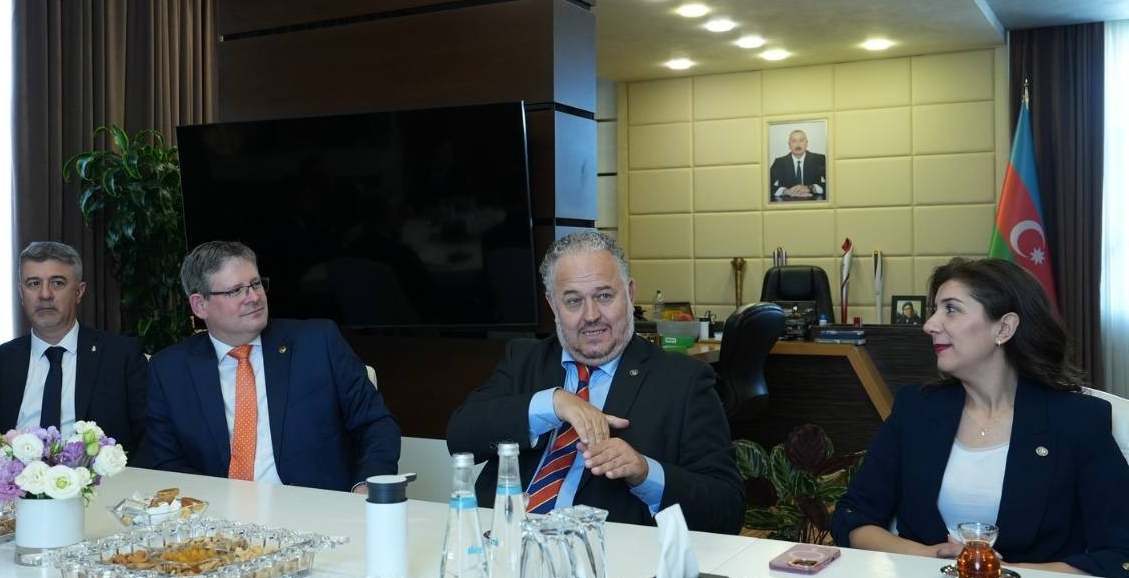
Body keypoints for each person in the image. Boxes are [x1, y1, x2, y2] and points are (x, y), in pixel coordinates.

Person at [832, 257, 1129, 578]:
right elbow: (853, 516)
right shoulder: (915, 408)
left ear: (1004, 328)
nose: (929, 324)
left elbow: (1119, 553)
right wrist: (930, 556)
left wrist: (1004, 574)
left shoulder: (1077, 420)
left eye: (951, 309)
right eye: (934, 309)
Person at [445, 231, 744, 532]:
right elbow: (461, 437)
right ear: (553, 305)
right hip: (498, 541)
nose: (591, 315)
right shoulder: (524, 358)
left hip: (601, 552)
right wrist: (552, 402)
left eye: (604, 296)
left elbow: (727, 508)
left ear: (629, 294)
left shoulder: (683, 380)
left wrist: (645, 473)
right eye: (573, 301)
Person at [144, 240, 399, 492]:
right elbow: (166, 462)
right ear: (200, 305)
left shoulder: (318, 343)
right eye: (236, 291)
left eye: (256, 284)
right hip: (219, 513)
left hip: (314, 508)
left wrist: (367, 486)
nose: (254, 297)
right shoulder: (169, 370)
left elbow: (375, 424)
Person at [0, 241, 147, 454]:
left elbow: (148, 440)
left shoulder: (121, 356)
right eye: (34, 284)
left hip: (96, 480)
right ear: (21, 293)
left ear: (78, 292)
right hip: (8, 480)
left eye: (57, 283)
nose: (45, 294)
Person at [769, 129, 827, 200]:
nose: (798, 144)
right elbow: (764, 185)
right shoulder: (779, 162)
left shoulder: (819, 159)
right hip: (787, 203)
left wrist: (812, 188)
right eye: (794, 141)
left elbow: (834, 183)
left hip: (814, 203)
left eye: (801, 140)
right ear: (789, 145)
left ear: (806, 143)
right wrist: (785, 191)